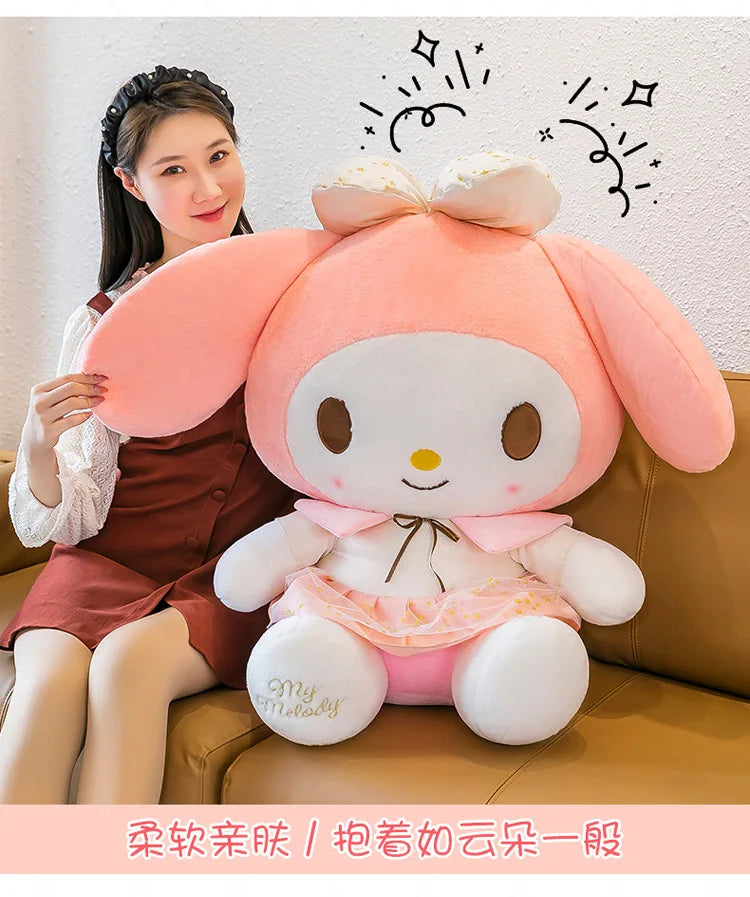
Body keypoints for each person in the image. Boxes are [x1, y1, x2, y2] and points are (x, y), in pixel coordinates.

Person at [0, 65, 293, 804]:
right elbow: (70, 515)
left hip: (229, 578)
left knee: (129, 663)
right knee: (47, 685)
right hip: (104, 558)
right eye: (174, 169)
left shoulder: (292, 292)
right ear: (132, 184)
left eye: (219, 155)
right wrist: (37, 444)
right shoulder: (106, 321)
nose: (208, 188)